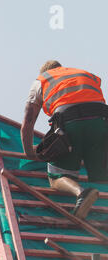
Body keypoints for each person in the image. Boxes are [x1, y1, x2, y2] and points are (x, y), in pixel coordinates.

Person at [21, 60, 108, 220]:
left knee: (56, 177)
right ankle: (103, 211)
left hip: (71, 122)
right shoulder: (85, 74)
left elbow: (28, 122)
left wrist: (29, 152)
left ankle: (81, 193)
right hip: (101, 121)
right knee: (101, 175)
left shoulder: (41, 81)